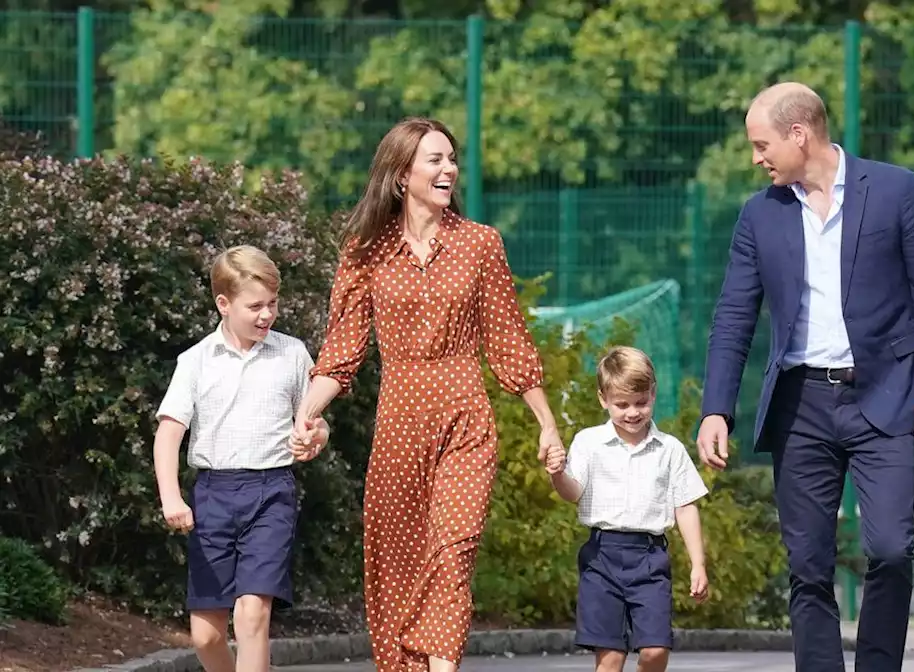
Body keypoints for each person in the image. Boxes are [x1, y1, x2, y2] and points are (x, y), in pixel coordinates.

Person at [695, 81, 914, 671]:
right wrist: (717, 408)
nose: (756, 158)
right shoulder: (759, 215)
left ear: (800, 134)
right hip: (800, 405)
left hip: (886, 397)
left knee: (893, 549)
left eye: (761, 144)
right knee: (808, 564)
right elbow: (734, 314)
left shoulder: (896, 191)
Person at [291, 117, 565, 672]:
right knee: (397, 561)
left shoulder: (480, 243)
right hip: (398, 423)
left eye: (451, 159)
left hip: (465, 415)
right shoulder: (365, 252)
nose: (449, 170)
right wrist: (306, 414)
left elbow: (508, 337)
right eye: (435, 160)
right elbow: (342, 350)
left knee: (454, 549)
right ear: (400, 174)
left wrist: (546, 421)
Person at [152, 244, 331, 672]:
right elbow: (168, 435)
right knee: (206, 634)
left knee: (252, 613)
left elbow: (316, 421)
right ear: (224, 303)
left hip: (272, 493)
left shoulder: (291, 354)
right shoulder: (195, 361)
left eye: (272, 303)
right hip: (213, 496)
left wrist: (316, 437)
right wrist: (172, 498)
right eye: (255, 306)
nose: (267, 315)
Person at [542, 345, 710, 672]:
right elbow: (573, 492)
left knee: (655, 651)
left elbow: (686, 506)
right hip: (601, 557)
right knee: (610, 658)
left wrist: (698, 564)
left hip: (649, 560)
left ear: (653, 394)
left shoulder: (670, 449)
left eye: (641, 402)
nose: (632, 412)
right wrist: (557, 474)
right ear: (603, 399)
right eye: (621, 405)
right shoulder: (589, 443)